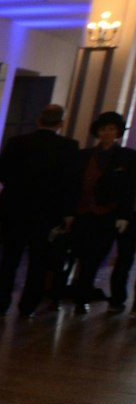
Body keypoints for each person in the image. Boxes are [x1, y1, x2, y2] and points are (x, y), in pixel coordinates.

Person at [0, 104, 79, 317]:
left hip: (16, 209)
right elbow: (71, 183)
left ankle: (1, 303)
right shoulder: (68, 147)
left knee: (9, 260)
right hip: (47, 212)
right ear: (60, 124)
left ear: (38, 120)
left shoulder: (17, 142)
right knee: (38, 262)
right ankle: (28, 306)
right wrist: (68, 212)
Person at [63, 111, 136, 312]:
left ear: (118, 132)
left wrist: (124, 215)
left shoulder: (128, 157)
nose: (107, 133)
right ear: (98, 132)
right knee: (83, 255)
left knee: (99, 256)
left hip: (110, 215)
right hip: (85, 212)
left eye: (112, 129)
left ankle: (88, 297)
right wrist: (69, 212)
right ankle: (80, 297)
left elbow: (130, 188)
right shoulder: (83, 156)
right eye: (104, 129)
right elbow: (73, 186)